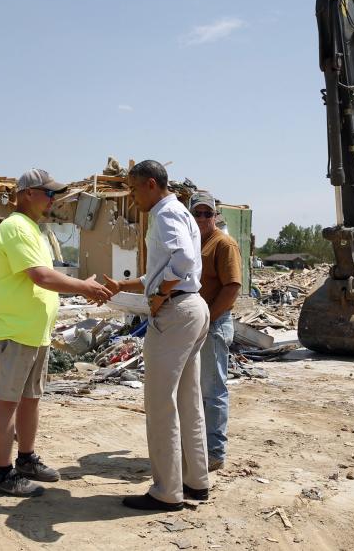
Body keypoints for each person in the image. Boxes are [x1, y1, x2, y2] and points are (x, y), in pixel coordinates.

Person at [0, 168, 113, 497]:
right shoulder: (15, 228)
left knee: (30, 400)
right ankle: (3, 474)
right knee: (7, 403)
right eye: (48, 193)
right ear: (27, 193)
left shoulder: (34, 230)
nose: (53, 199)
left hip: (32, 333)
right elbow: (42, 277)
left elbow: (45, 277)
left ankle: (25, 459)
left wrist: (81, 287)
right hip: (12, 332)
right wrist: (84, 287)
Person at [104, 160, 210, 512]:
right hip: (192, 307)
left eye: (133, 190)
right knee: (187, 399)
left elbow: (182, 259)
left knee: (160, 402)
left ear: (151, 184)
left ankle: (167, 491)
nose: (132, 199)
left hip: (176, 312)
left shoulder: (164, 214)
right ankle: (195, 481)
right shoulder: (178, 211)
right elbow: (167, 267)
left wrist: (161, 294)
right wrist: (127, 284)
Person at [189, 191, 241, 472]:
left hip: (214, 325)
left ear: (215, 216)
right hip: (195, 325)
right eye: (197, 213)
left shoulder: (223, 244)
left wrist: (208, 318)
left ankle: (215, 452)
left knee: (213, 390)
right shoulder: (191, 243)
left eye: (207, 213)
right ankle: (200, 448)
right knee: (197, 390)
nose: (201, 218)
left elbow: (231, 288)